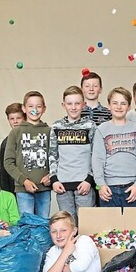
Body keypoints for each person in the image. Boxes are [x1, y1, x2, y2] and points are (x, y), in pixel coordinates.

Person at [92, 87, 136, 207]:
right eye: (115, 103)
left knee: (132, 225)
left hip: (131, 187)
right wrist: (101, 184)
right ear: (109, 106)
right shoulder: (101, 129)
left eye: (123, 103)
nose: (119, 107)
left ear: (129, 107)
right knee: (109, 225)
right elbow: (97, 159)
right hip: (108, 188)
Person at [49, 86, 97, 222]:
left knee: (87, 224)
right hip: (62, 185)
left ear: (84, 105)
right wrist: (54, 179)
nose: (73, 107)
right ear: (63, 105)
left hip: (84, 184)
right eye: (69, 103)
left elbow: (96, 155)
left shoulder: (90, 126)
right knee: (68, 224)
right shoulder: (56, 126)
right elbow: (52, 154)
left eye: (77, 103)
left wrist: (89, 179)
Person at [4, 91, 52, 218]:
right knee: (27, 226)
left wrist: (51, 175)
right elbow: (8, 162)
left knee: (43, 225)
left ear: (44, 108)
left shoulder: (49, 131)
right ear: (24, 108)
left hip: (44, 189)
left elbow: (56, 158)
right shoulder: (16, 132)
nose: (34, 110)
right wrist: (24, 181)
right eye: (30, 106)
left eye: (38, 106)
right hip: (23, 189)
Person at [0, 103, 25, 194]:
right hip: (12, 189)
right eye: (12, 119)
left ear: (25, 118)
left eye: (18, 118)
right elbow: (3, 172)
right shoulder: (5, 143)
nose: (15, 121)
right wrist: (5, 194)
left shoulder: (32, 139)